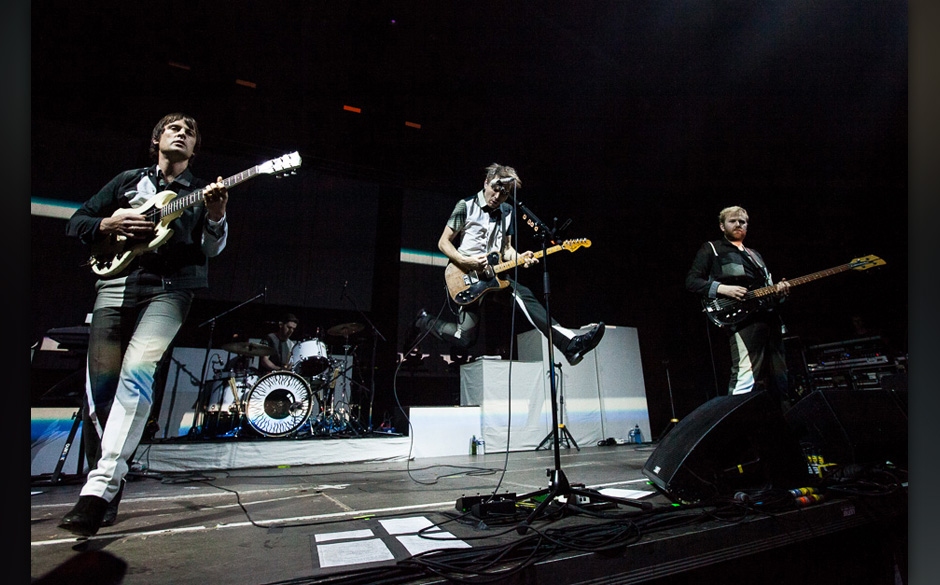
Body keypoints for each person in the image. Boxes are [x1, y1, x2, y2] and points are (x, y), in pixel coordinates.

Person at [59, 113, 230, 536]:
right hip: (116, 283)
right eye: (175, 128)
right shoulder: (126, 181)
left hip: (171, 290)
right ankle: (110, 488)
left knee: (137, 371)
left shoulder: (199, 192)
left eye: (190, 132)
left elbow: (211, 248)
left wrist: (216, 214)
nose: (183, 134)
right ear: (157, 139)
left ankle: (97, 490)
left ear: (194, 150)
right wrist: (108, 223)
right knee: (100, 389)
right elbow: (76, 221)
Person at [415, 163, 605, 365]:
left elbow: (506, 249)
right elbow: (443, 242)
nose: (498, 197)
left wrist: (521, 258)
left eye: (504, 194)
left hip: (495, 276)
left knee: (524, 295)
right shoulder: (465, 206)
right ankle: (424, 321)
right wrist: (464, 260)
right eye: (495, 190)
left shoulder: (507, 211)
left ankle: (570, 345)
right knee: (465, 339)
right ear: (486, 183)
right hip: (465, 275)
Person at [685, 206, 791, 403]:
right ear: (722, 226)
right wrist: (722, 288)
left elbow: (766, 287)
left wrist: (780, 293)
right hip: (744, 320)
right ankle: (735, 425)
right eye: (732, 221)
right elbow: (692, 282)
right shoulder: (712, 249)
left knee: (780, 377)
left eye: (742, 221)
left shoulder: (755, 255)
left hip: (769, 317)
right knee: (746, 374)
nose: (738, 224)